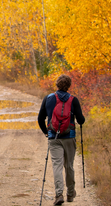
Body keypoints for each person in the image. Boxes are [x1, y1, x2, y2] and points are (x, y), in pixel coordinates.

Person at [38, 74, 85, 205]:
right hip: (69, 137)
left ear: (57, 84)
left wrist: (46, 132)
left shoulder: (48, 98)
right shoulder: (73, 100)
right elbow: (81, 120)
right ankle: (70, 193)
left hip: (54, 137)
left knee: (57, 166)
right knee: (69, 166)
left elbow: (40, 118)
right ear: (69, 85)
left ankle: (59, 194)